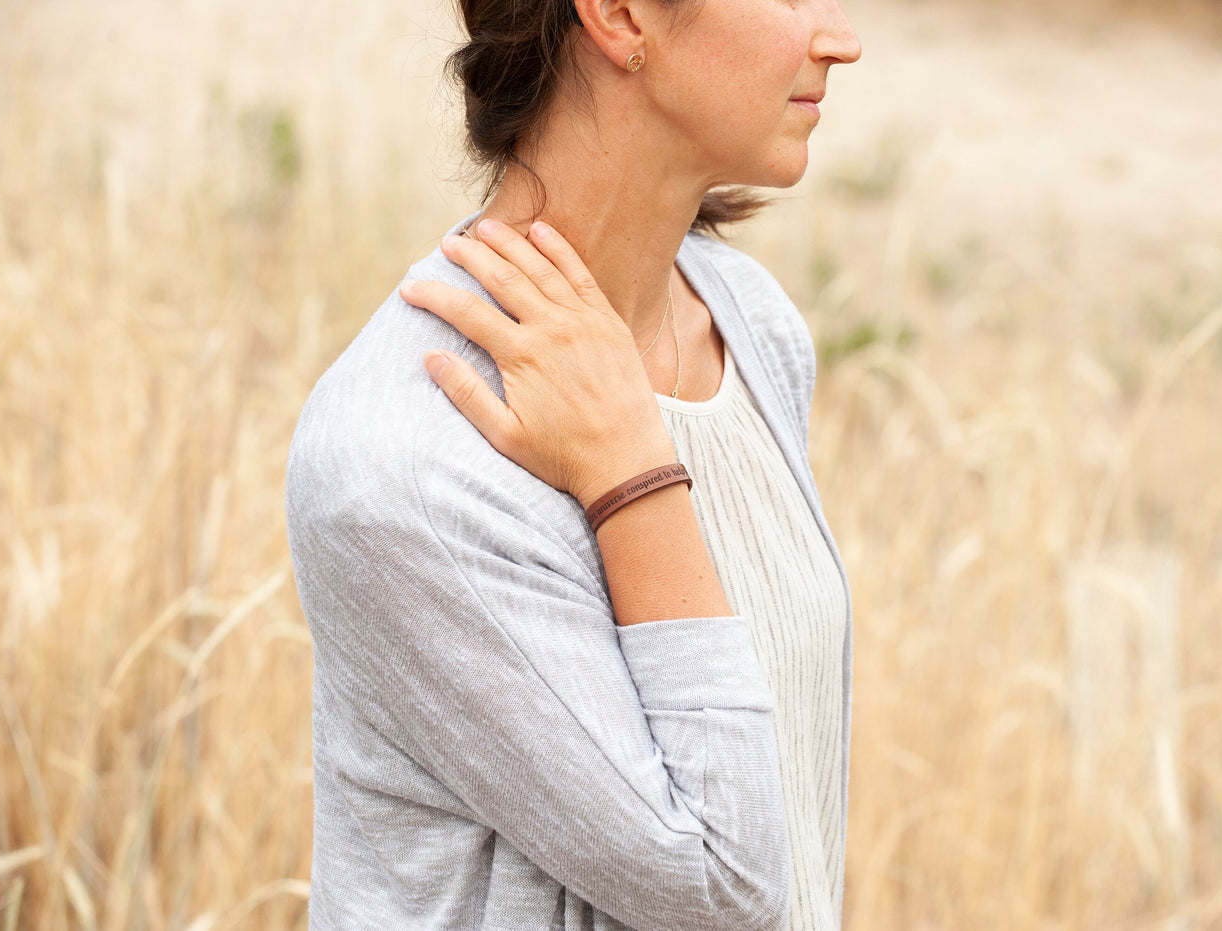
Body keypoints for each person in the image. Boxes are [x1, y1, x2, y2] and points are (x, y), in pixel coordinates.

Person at [285, 0, 861, 926]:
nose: (840, 39)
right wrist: (631, 472)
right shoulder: (402, 461)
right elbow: (722, 887)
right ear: (621, 14)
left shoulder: (750, 325)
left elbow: (795, 814)